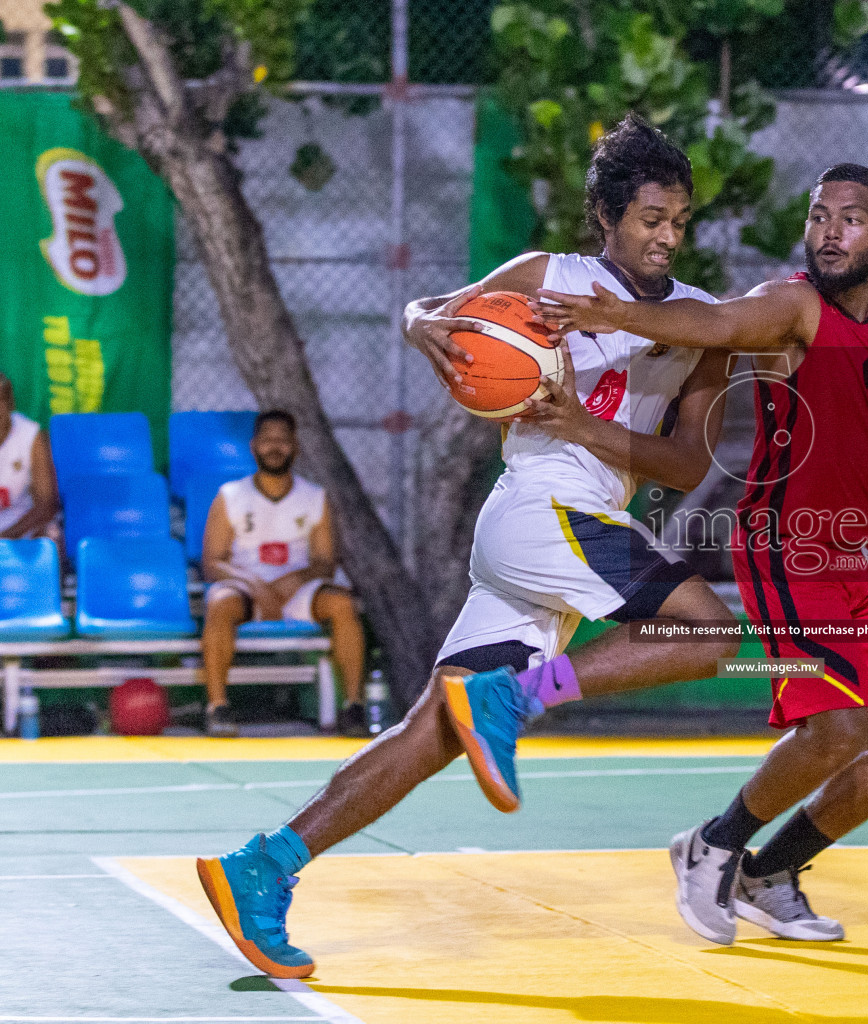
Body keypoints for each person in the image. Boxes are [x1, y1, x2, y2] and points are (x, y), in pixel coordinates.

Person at [194, 115, 739, 979]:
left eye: (678, 220)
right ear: (607, 215)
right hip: (543, 507)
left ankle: (263, 865)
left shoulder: (701, 320)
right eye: (649, 219)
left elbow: (686, 463)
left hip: (559, 525)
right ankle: (514, 697)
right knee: (710, 633)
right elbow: (433, 312)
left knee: (432, 732)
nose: (667, 237)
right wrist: (421, 326)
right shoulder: (547, 278)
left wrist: (584, 426)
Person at [536, 163, 868, 945]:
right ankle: (713, 845)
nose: (830, 231)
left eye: (851, 219)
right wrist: (619, 312)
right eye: (819, 215)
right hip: (788, 545)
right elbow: (717, 324)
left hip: (867, 555)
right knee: (838, 723)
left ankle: (770, 871)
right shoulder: (793, 306)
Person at [199, 410, 368, 739]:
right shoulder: (230, 495)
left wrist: (293, 581)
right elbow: (212, 562)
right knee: (219, 604)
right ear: (253, 446)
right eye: (267, 440)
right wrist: (255, 585)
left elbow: (325, 561)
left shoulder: (314, 496)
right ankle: (217, 707)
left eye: (283, 440)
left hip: (298, 591)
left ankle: (353, 707)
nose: (274, 447)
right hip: (246, 588)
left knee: (342, 604)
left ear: (295, 447)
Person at [0, 374, 60, 543]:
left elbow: (46, 505)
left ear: (10, 404)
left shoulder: (30, 436)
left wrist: (4, 539)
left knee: (50, 536)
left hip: (21, 528)